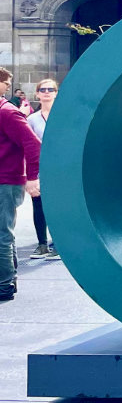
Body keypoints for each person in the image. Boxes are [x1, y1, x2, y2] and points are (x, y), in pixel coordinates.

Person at [0, 67, 41, 301]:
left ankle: (4, 285)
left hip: (6, 182)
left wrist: (33, 177)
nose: (8, 86)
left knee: (2, 235)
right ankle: (8, 280)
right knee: (3, 233)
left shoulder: (8, 113)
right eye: (6, 82)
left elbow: (33, 145)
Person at [24, 78, 58, 259]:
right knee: (39, 205)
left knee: (58, 206)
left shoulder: (62, 117)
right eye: (43, 89)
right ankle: (42, 244)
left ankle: (58, 244)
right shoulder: (31, 119)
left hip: (60, 169)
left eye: (50, 89)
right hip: (39, 168)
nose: (46, 92)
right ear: (37, 94)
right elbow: (27, 146)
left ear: (56, 93)